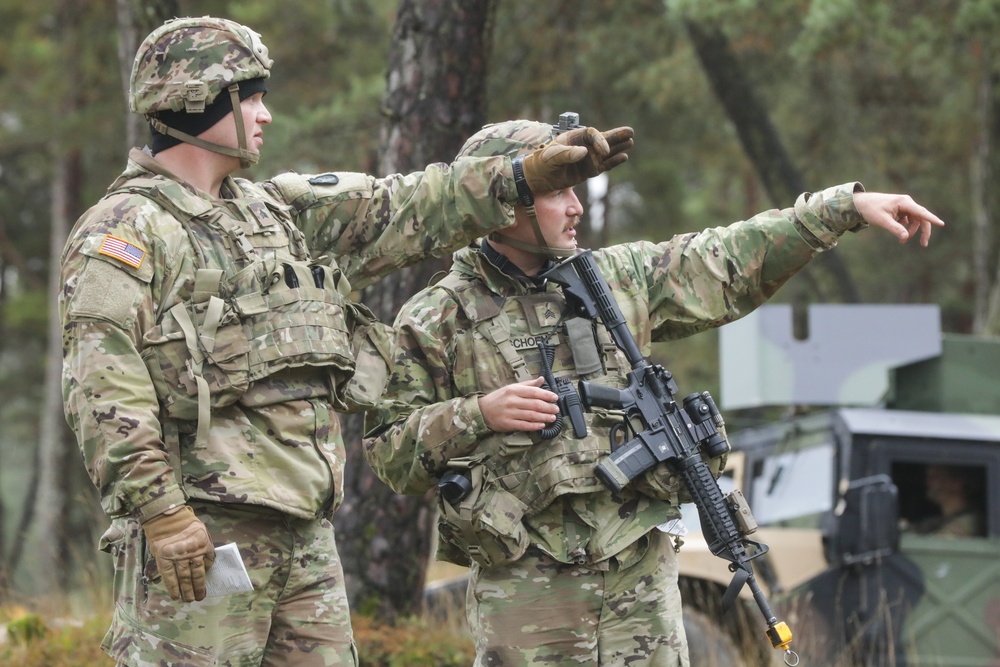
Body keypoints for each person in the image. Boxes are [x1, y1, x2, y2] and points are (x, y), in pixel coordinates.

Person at [58, 17, 633, 667]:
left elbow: (406, 205)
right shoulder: (128, 228)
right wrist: (162, 513)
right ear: (197, 96)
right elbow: (103, 381)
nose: (265, 114)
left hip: (304, 535)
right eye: (249, 97)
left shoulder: (275, 213)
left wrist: (522, 177)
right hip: (203, 534)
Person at [363, 117, 945, 666]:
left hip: (638, 578)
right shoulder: (438, 317)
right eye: (558, 191)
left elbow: (728, 258)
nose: (576, 206)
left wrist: (843, 208)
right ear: (502, 202)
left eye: (577, 190)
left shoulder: (616, 279)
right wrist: (479, 414)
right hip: (527, 590)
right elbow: (390, 452)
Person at [912, 464, 986, 537]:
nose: (927, 482)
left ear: (956, 483)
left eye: (934, 477)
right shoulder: (937, 521)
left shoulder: (969, 522)